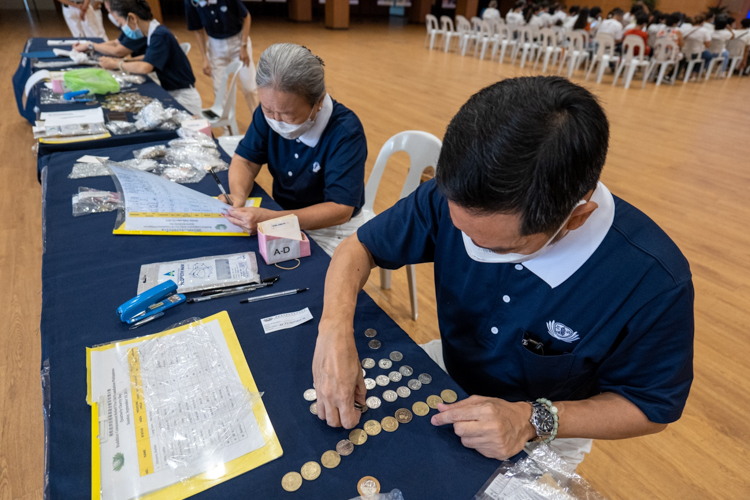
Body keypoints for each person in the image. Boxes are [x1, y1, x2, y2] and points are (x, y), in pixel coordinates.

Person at [311, 76, 694, 469]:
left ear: (575, 219)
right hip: (449, 370)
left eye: (496, 246)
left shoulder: (653, 281)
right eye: (461, 230)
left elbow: (649, 405)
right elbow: (358, 246)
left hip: (550, 423)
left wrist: (531, 419)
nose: (470, 246)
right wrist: (334, 332)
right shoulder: (461, 194)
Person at [223, 44, 367, 257]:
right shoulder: (269, 113)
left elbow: (339, 209)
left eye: (287, 114)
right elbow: (245, 160)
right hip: (279, 215)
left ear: (318, 102)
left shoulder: (345, 132)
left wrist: (272, 219)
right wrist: (237, 194)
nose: (276, 120)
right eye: (268, 109)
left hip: (331, 229)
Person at [99, 0, 202, 115]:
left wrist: (116, 64)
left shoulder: (160, 35)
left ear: (132, 18)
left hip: (184, 98)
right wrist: (125, 61)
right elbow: (149, 56)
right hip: (172, 92)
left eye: (121, 23)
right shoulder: (153, 32)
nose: (121, 28)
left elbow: (145, 67)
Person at [185, 0, 259, 118]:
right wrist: (205, 58)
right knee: (220, 91)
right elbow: (198, 31)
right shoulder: (191, 2)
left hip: (238, 42)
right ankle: (227, 129)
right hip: (215, 47)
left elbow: (246, 17)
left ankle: (258, 124)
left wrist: (243, 46)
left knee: (249, 88)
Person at [72, 1, 147, 58]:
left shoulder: (137, 30)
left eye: (110, 11)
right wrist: (88, 46)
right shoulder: (131, 28)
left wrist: (91, 45)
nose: (111, 15)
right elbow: (117, 43)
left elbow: (119, 51)